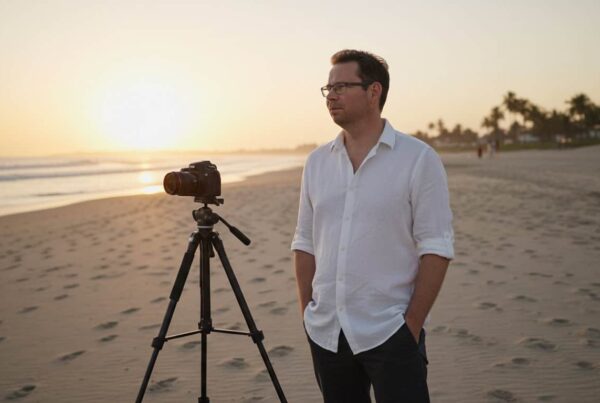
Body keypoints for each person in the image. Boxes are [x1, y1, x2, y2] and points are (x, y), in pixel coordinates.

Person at [291, 49, 454, 403]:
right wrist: (308, 315)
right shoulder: (317, 162)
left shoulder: (418, 159)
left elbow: (436, 248)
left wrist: (411, 327)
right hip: (327, 333)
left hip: (390, 331)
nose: (331, 96)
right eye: (328, 88)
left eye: (341, 87)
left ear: (373, 91)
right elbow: (304, 242)